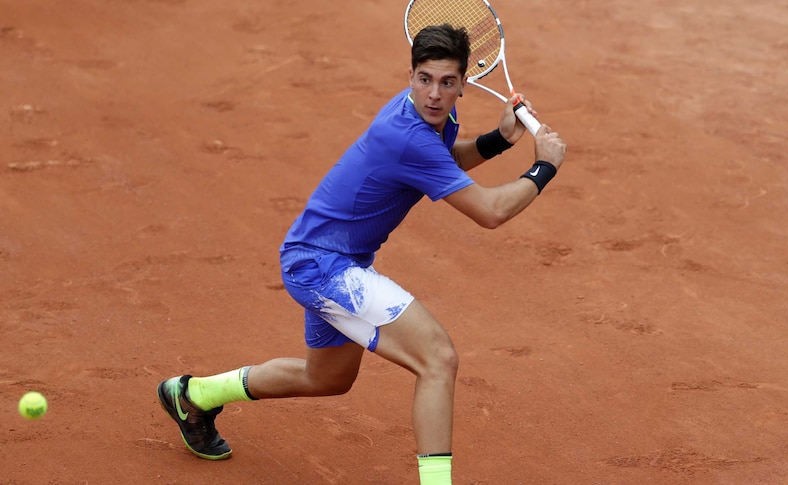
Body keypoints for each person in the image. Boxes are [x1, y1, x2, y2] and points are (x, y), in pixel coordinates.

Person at [157, 24, 567, 485]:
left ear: (463, 85)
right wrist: (544, 165)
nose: (434, 93)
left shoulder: (428, 120)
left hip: (318, 258)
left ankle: (194, 395)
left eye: (447, 82)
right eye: (424, 79)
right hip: (324, 266)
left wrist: (500, 139)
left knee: (327, 379)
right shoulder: (407, 134)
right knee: (437, 359)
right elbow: (490, 212)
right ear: (410, 75)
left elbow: (442, 159)